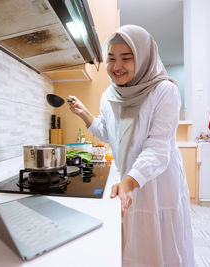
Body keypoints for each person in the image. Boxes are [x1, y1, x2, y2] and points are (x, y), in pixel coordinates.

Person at [68, 25, 195, 266]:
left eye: (126, 58)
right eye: (111, 59)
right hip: (127, 182)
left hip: (158, 182)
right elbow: (107, 133)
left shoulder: (164, 91)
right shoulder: (109, 96)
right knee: (131, 247)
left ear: (144, 57)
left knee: (160, 244)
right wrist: (84, 113)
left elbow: (158, 149)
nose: (117, 67)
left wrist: (129, 181)